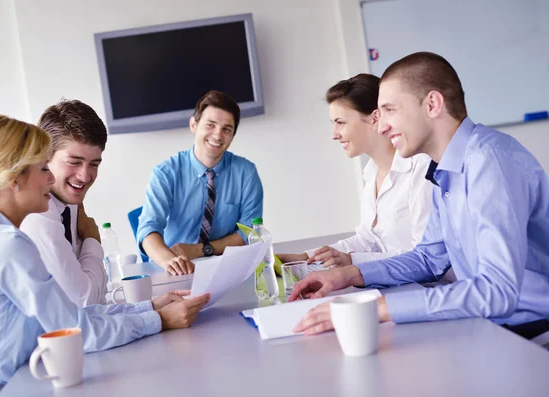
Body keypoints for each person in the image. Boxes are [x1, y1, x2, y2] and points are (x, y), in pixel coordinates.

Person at [289, 52, 549, 339]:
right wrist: (349, 275)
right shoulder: (444, 168)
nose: (383, 125)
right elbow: (429, 258)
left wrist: (376, 308)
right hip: (489, 323)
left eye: (390, 110)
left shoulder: (490, 162)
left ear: (433, 105)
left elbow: (497, 291)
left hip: (530, 330)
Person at [0, 116, 210, 387]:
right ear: (14, 180)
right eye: (42, 169)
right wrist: (158, 321)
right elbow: (75, 332)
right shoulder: (5, 245)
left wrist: (150, 307)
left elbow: (70, 317)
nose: (50, 178)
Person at [278, 74, 435, 269]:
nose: (334, 135)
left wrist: (352, 261)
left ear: (375, 118)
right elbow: (366, 240)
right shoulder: (371, 174)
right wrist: (304, 258)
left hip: (434, 290)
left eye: (340, 122)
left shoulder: (421, 168)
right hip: (399, 286)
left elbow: (426, 256)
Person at [137, 90, 264, 276]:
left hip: (226, 268)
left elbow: (251, 233)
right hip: (175, 270)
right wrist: (171, 262)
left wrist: (200, 249)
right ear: (193, 125)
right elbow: (148, 229)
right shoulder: (165, 173)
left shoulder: (246, 172)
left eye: (226, 129)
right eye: (210, 125)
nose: (218, 135)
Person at [21, 100, 109, 307]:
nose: (85, 175)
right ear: (45, 156)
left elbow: (96, 299)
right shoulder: (38, 214)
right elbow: (84, 302)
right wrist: (92, 239)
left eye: (94, 164)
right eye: (74, 162)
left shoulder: (69, 204)